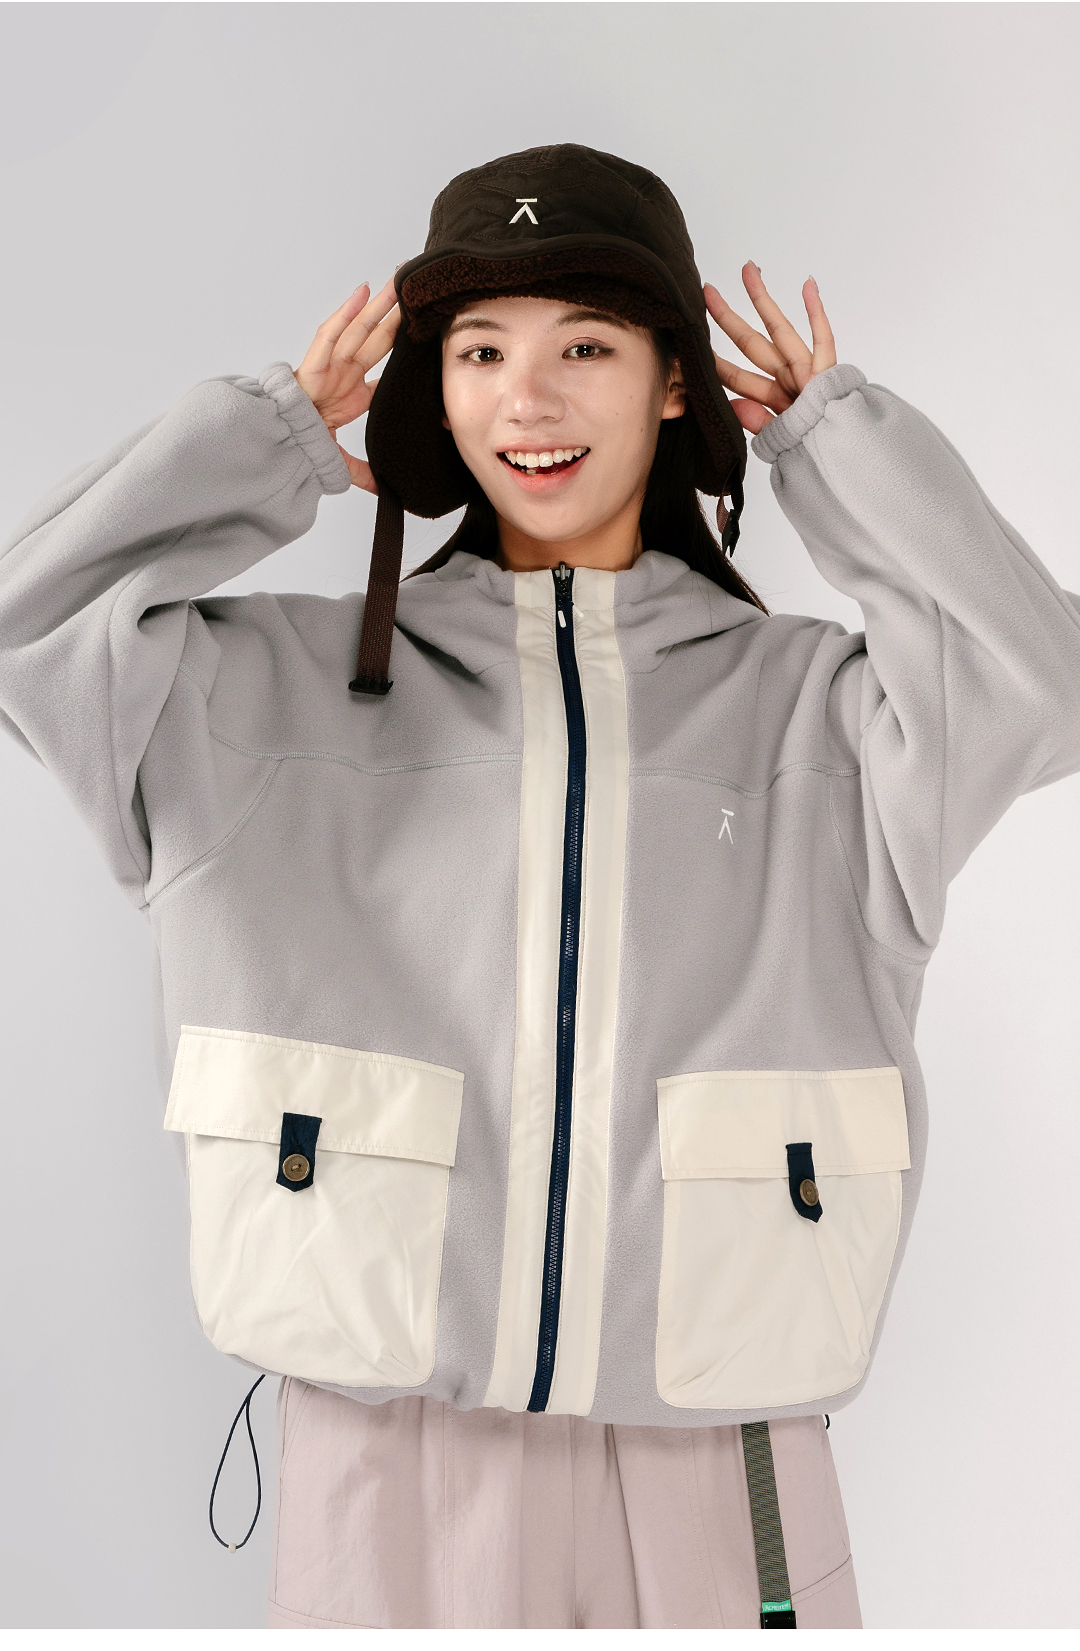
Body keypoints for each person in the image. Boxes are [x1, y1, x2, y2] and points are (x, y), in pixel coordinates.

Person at [1, 143, 1078, 1631]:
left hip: (721, 1452)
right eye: (480, 350)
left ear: (675, 383)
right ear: (434, 394)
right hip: (386, 1453)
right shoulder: (261, 696)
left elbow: (1042, 683)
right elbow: (26, 633)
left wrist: (841, 450)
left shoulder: (826, 719)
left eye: (586, 346)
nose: (530, 398)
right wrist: (258, 443)